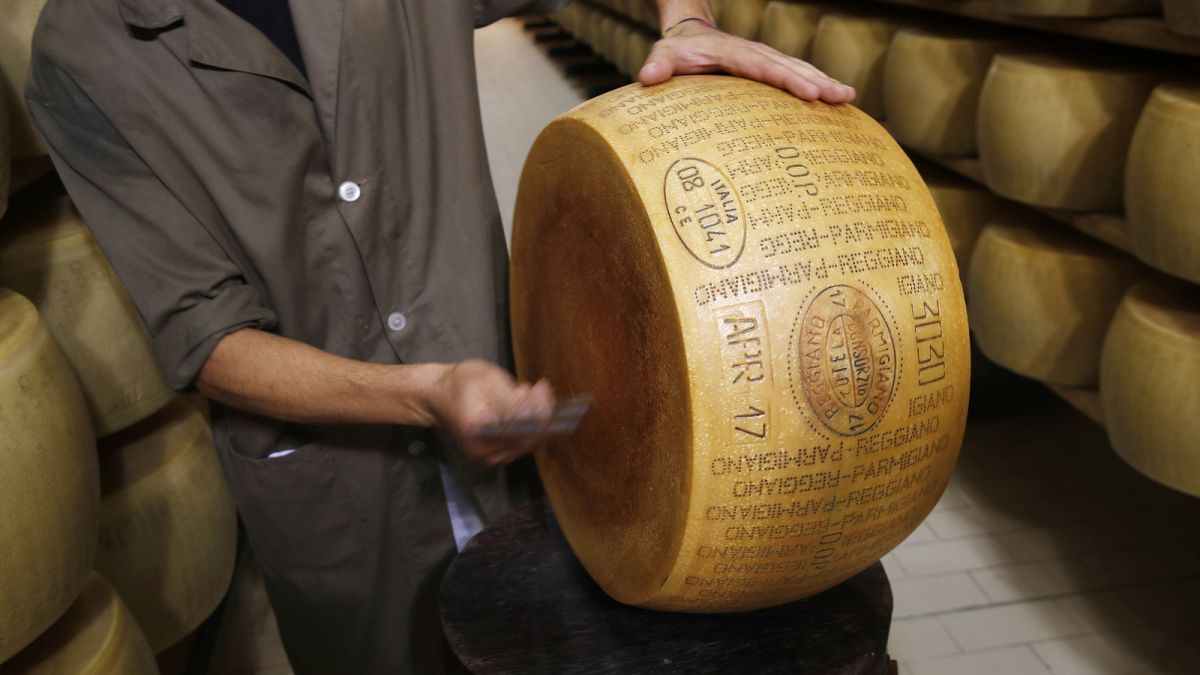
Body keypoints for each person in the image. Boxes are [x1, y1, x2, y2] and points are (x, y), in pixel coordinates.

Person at [25, 0, 854, 672]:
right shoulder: (85, 51)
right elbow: (205, 335)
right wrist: (422, 393)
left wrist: (688, 25)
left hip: (524, 432)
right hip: (343, 489)